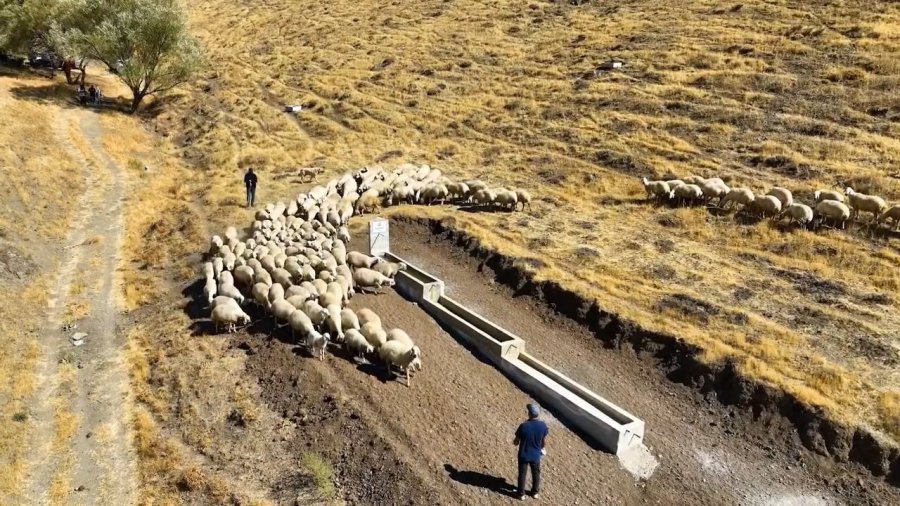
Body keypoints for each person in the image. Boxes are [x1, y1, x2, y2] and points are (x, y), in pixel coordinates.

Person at [513, 403, 548, 500]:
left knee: (522, 474)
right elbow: (543, 442)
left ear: (529, 414)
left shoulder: (523, 426)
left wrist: (515, 442)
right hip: (536, 455)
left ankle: (521, 494)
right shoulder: (543, 426)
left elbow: (516, 442)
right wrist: (542, 448)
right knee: (536, 473)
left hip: (524, 455)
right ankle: (535, 493)